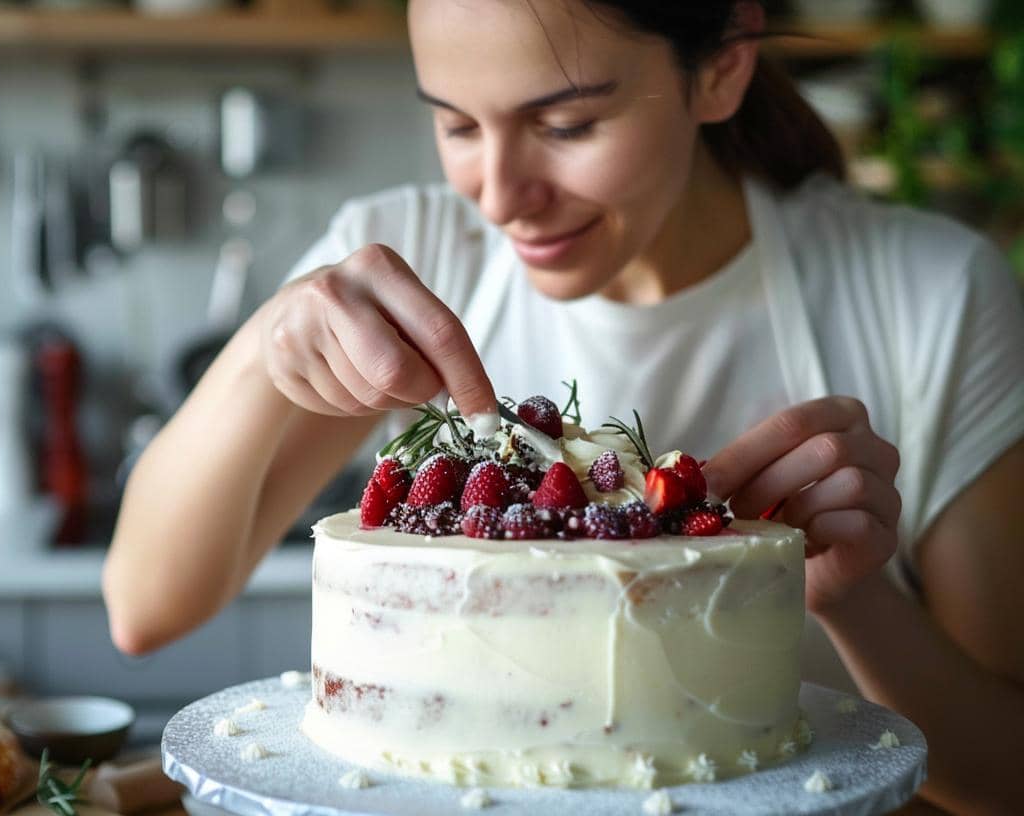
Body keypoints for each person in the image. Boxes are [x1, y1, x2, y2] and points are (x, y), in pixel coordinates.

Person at [104, 1, 1024, 811]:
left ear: (722, 65)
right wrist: (268, 343)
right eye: (457, 125)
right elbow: (145, 609)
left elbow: (1007, 780)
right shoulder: (417, 259)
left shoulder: (929, 295)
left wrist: (851, 598)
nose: (503, 198)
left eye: (570, 124)